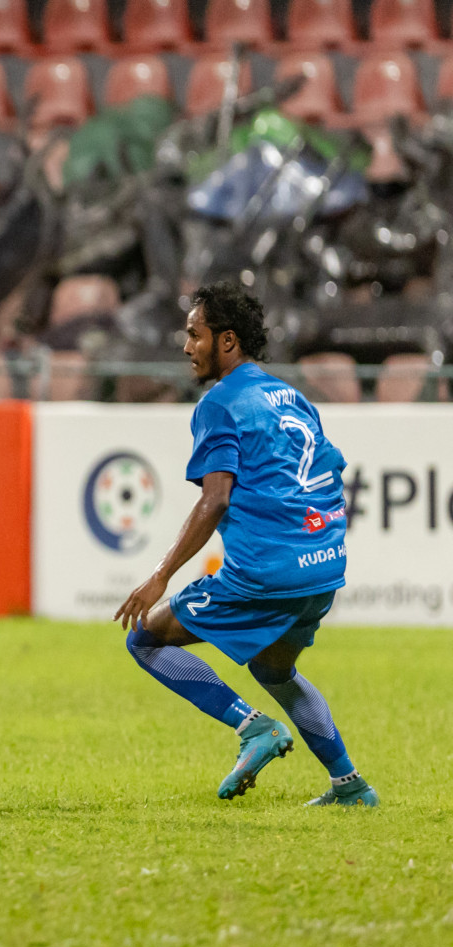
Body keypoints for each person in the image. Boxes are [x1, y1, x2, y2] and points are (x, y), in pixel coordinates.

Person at [114, 283, 377, 807]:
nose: (186, 346)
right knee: (274, 669)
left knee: (144, 639)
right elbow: (329, 472)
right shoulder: (291, 396)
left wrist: (161, 574)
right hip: (324, 566)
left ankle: (254, 728)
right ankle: (350, 785)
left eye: (195, 335)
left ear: (226, 340)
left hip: (267, 571)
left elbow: (214, 501)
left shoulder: (220, 404)